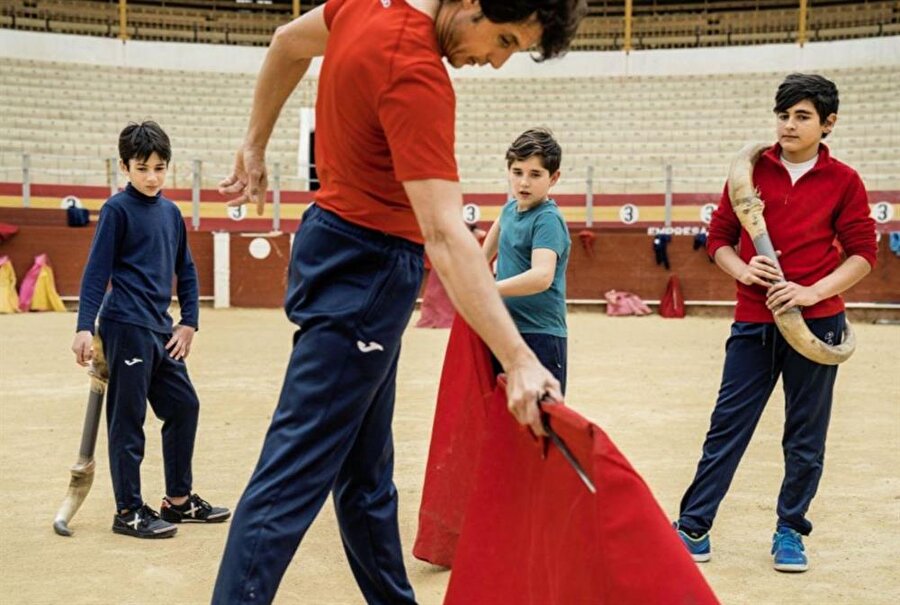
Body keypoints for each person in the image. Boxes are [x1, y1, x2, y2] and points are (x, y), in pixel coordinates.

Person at [210, 0, 586, 602]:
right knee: (292, 475)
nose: (495, 62)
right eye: (505, 39)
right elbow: (443, 233)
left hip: (334, 245)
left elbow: (285, 41)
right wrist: (518, 359)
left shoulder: (363, 7)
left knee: (365, 473)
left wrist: (254, 144)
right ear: (472, 4)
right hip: (370, 269)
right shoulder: (417, 72)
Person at [674, 74, 877, 572]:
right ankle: (694, 528)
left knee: (805, 437)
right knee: (727, 426)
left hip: (817, 326)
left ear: (828, 124)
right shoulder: (750, 171)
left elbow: (863, 255)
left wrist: (811, 292)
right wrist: (743, 269)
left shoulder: (844, 181)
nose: (788, 124)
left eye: (802, 116)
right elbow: (718, 237)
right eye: (783, 114)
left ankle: (790, 530)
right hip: (753, 320)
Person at [71, 121, 230, 539]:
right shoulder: (116, 210)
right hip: (125, 326)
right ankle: (128, 510)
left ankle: (178, 502)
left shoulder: (171, 212)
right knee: (128, 420)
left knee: (183, 406)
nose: (152, 177)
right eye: (143, 168)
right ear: (125, 166)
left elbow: (188, 271)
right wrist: (85, 327)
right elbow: (95, 273)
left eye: (160, 168)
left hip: (160, 329)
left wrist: (190, 321)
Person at [482, 128, 571, 392]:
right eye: (518, 172)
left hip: (540, 334)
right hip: (504, 330)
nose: (524, 183)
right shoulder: (508, 210)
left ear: (553, 178)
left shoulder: (547, 219)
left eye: (535, 175)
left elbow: (542, 276)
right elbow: (480, 259)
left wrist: (489, 289)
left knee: (538, 425)